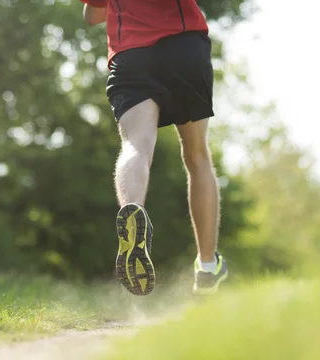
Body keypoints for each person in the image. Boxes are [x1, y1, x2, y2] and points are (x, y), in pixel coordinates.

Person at [80, 0, 228, 296]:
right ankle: (208, 266)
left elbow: (93, 15)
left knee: (135, 144)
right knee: (197, 156)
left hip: (131, 55)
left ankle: (132, 209)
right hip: (183, 47)